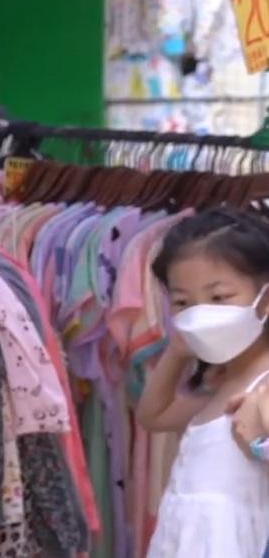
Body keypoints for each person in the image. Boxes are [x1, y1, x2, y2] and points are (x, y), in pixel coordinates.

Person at [135, 209, 269, 557]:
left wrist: (260, 442)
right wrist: (177, 353)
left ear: (265, 300)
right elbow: (153, 416)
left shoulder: (263, 385)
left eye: (219, 298)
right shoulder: (223, 381)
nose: (200, 313)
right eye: (183, 302)